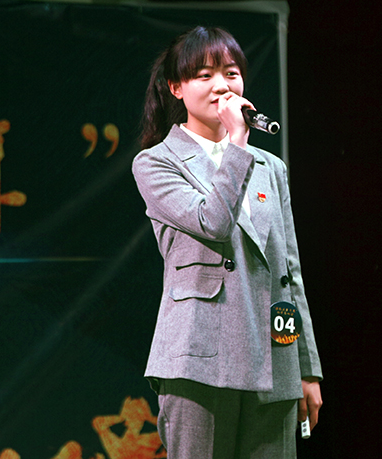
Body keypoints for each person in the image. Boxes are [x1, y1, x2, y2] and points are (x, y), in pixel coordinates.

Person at [132, 26, 322, 458]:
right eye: (204, 75)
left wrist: (306, 367)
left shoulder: (271, 167)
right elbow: (212, 222)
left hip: (273, 358)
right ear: (176, 88)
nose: (222, 86)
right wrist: (238, 142)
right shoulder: (156, 162)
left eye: (231, 73)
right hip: (199, 359)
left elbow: (288, 273)